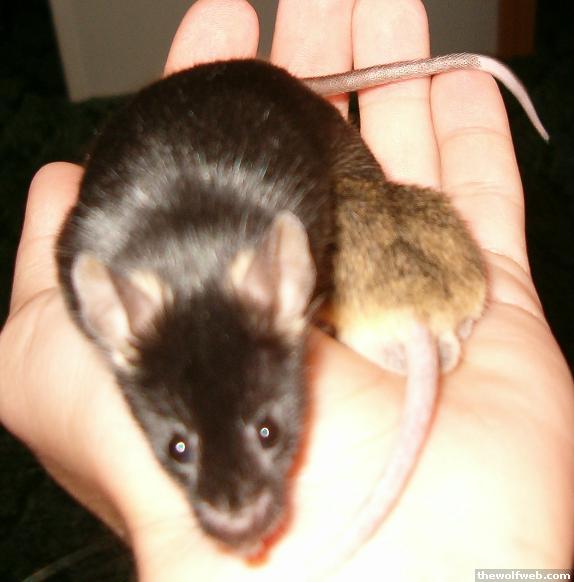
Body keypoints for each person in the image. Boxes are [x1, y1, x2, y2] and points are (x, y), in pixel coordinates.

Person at [1, 0, 572, 579]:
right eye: (179, 449)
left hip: (267, 144)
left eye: (267, 431)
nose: (238, 514)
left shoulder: (287, 218)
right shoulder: (108, 273)